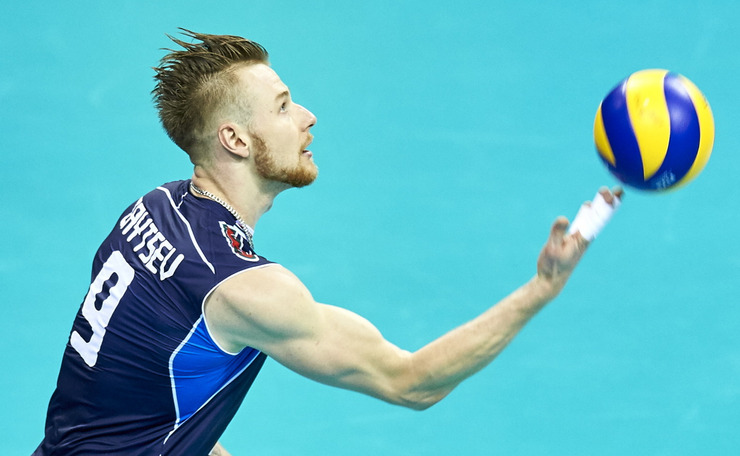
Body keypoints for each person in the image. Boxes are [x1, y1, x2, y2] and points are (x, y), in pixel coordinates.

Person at [34, 29, 622, 456]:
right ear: (236, 139)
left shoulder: (154, 209)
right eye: (283, 107)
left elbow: (141, 398)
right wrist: (541, 289)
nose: (308, 116)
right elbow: (412, 382)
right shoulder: (242, 290)